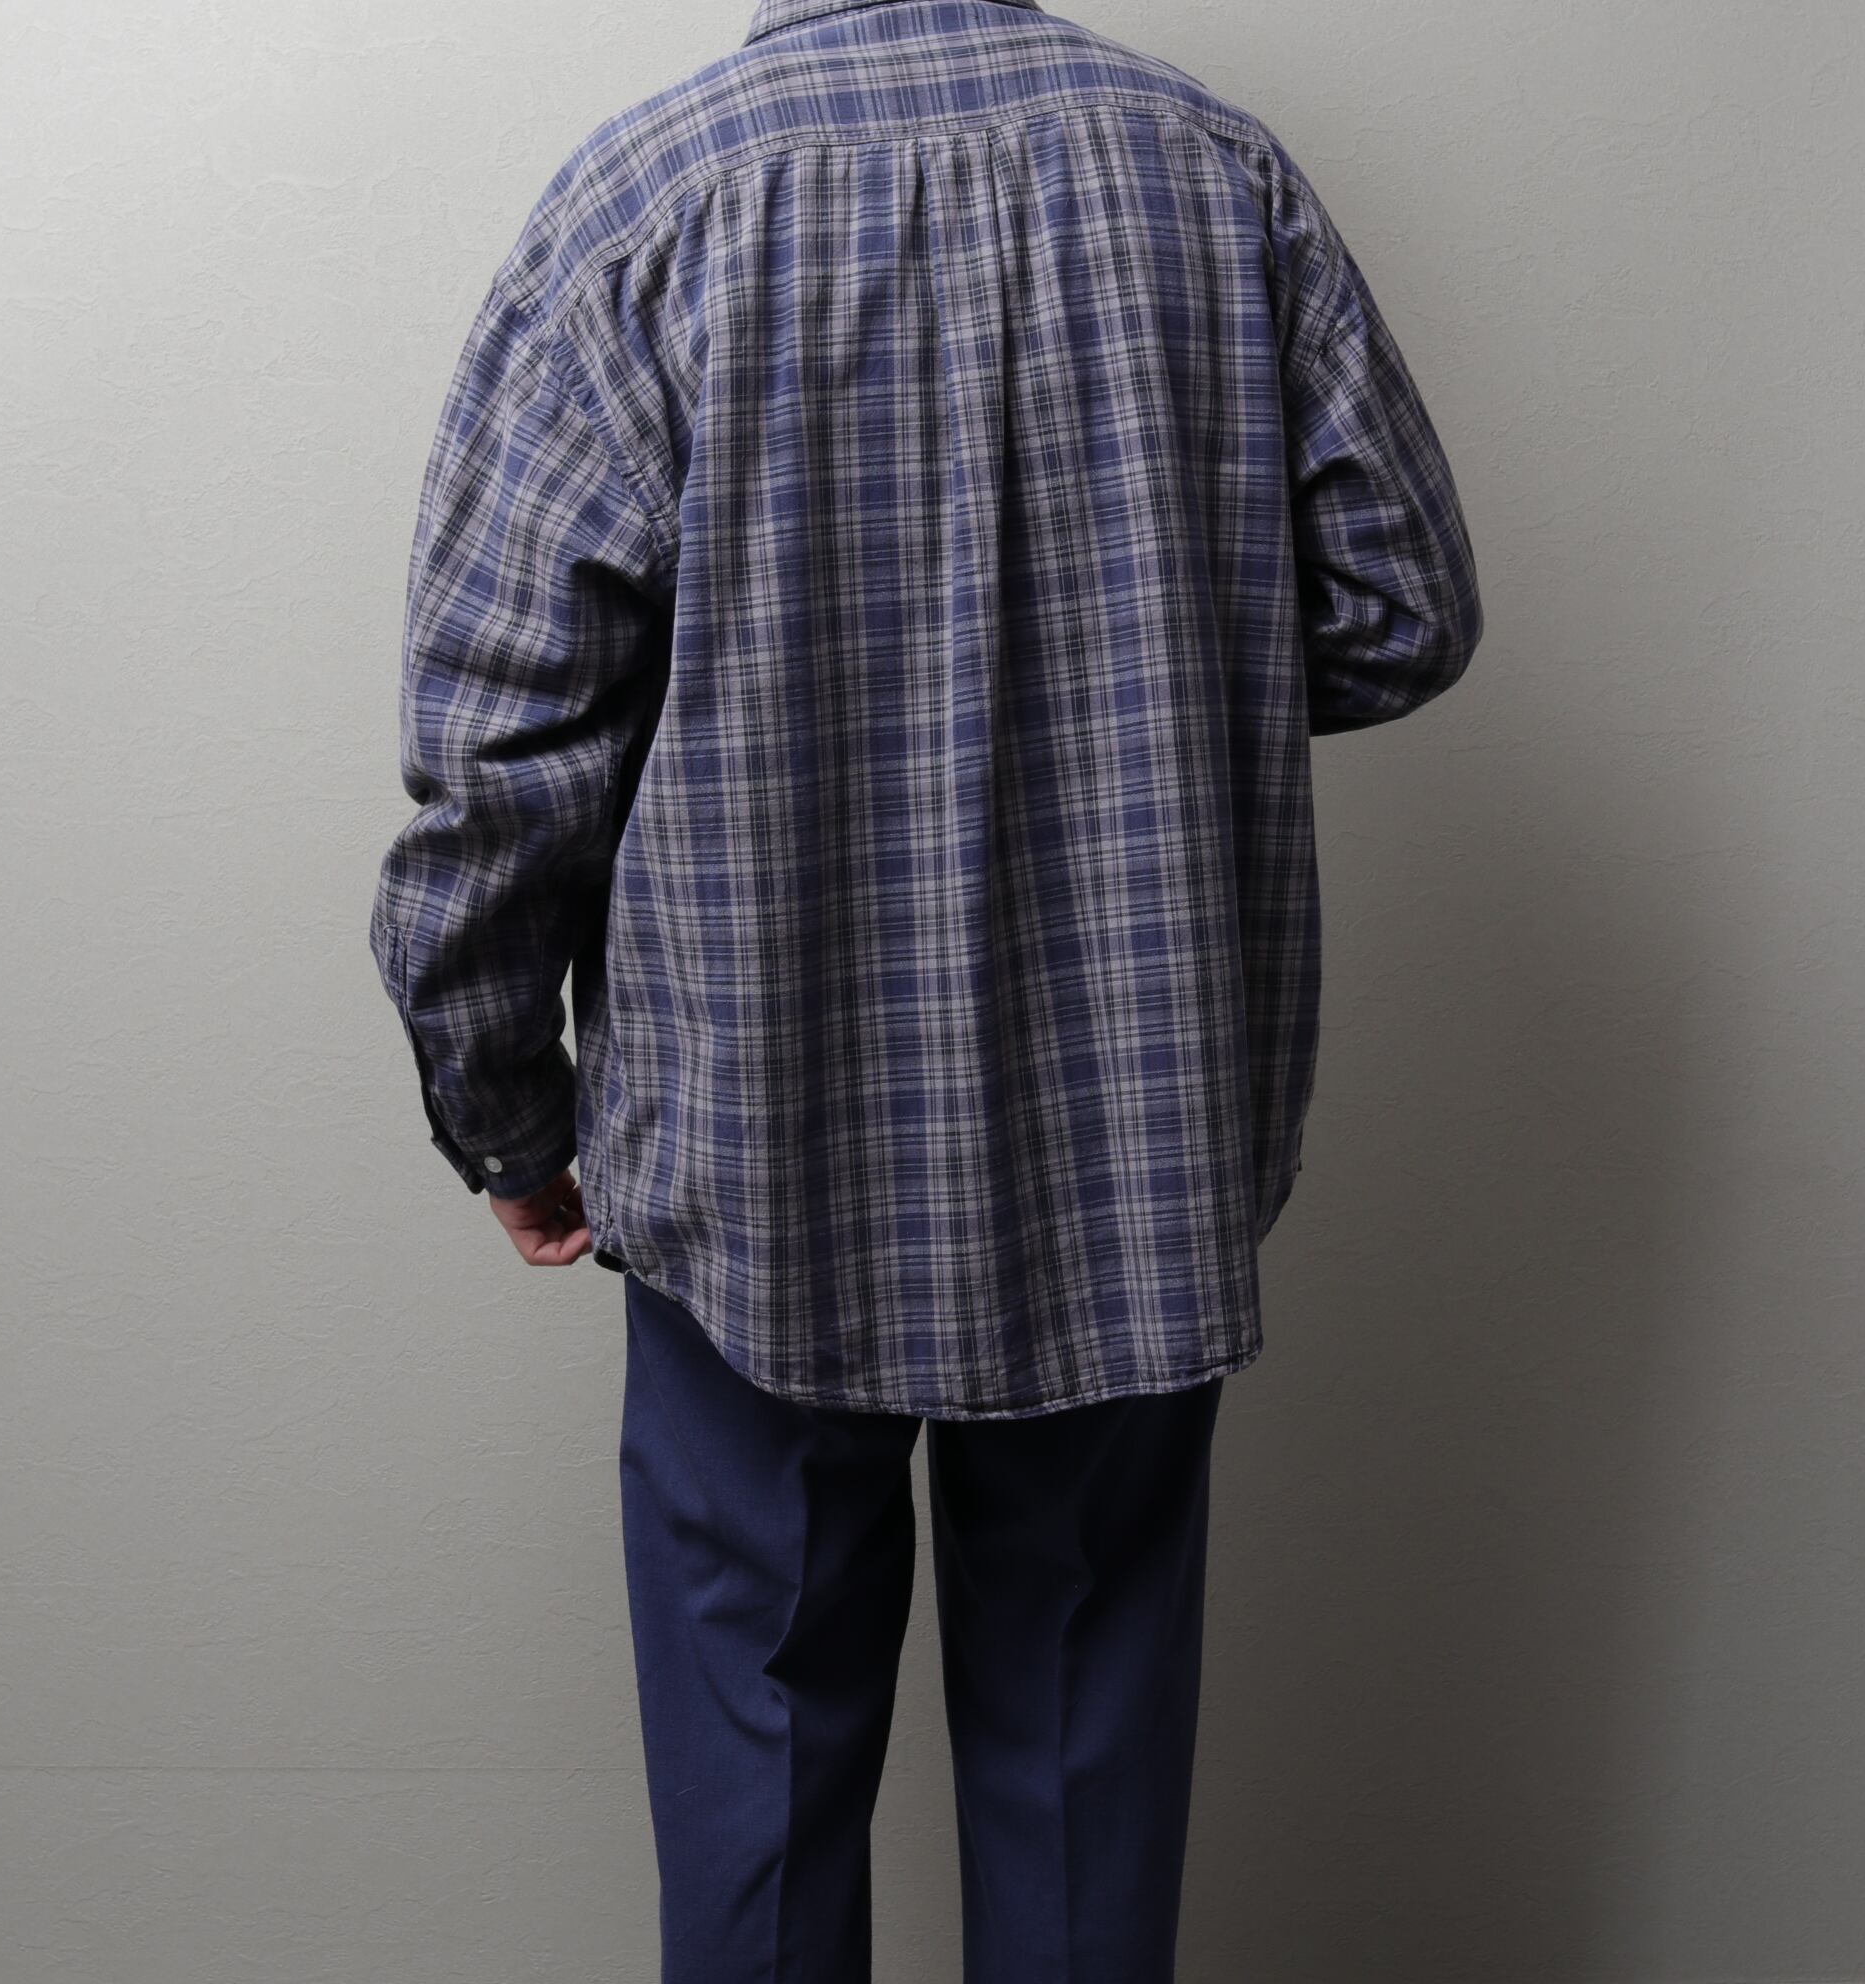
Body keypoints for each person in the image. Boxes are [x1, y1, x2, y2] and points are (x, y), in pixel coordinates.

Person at [369, 0, 1482, 1975]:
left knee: (757, 1770)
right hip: (1131, 1140)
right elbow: (1400, 604)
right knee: (1080, 1763)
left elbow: (498, 763)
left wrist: (505, 1111)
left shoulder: (645, 211)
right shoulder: (1211, 176)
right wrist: (1143, 688)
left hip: (753, 1160)